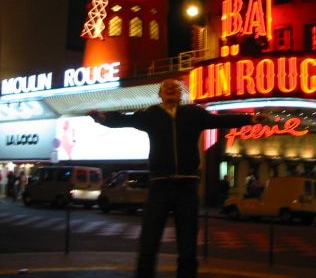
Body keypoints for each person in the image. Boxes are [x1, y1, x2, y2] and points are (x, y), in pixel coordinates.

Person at [88, 78, 269, 278]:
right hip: (159, 184)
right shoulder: (151, 114)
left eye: (175, 87)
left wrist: (249, 119)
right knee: (149, 240)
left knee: (188, 244)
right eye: (167, 87)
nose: (171, 89)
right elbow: (125, 119)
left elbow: (220, 120)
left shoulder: (194, 113)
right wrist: (103, 118)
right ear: (160, 94)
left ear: (181, 95)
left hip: (187, 186)